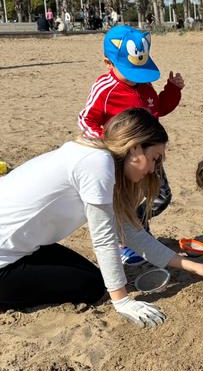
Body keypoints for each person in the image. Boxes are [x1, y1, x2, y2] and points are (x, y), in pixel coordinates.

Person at [0, 109, 203, 332]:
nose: (154, 169)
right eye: (154, 159)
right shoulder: (97, 166)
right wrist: (122, 302)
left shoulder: (94, 155)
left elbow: (132, 235)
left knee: (93, 278)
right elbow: (102, 240)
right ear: (135, 148)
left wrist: (192, 266)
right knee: (92, 287)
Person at [78, 25, 183, 223]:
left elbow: (157, 109)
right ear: (109, 64)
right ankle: (129, 233)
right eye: (130, 71)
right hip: (123, 157)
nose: (137, 77)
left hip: (151, 153)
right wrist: (103, 144)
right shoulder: (105, 89)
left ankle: (136, 224)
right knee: (125, 198)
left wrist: (172, 91)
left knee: (161, 196)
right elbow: (86, 119)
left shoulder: (145, 85)